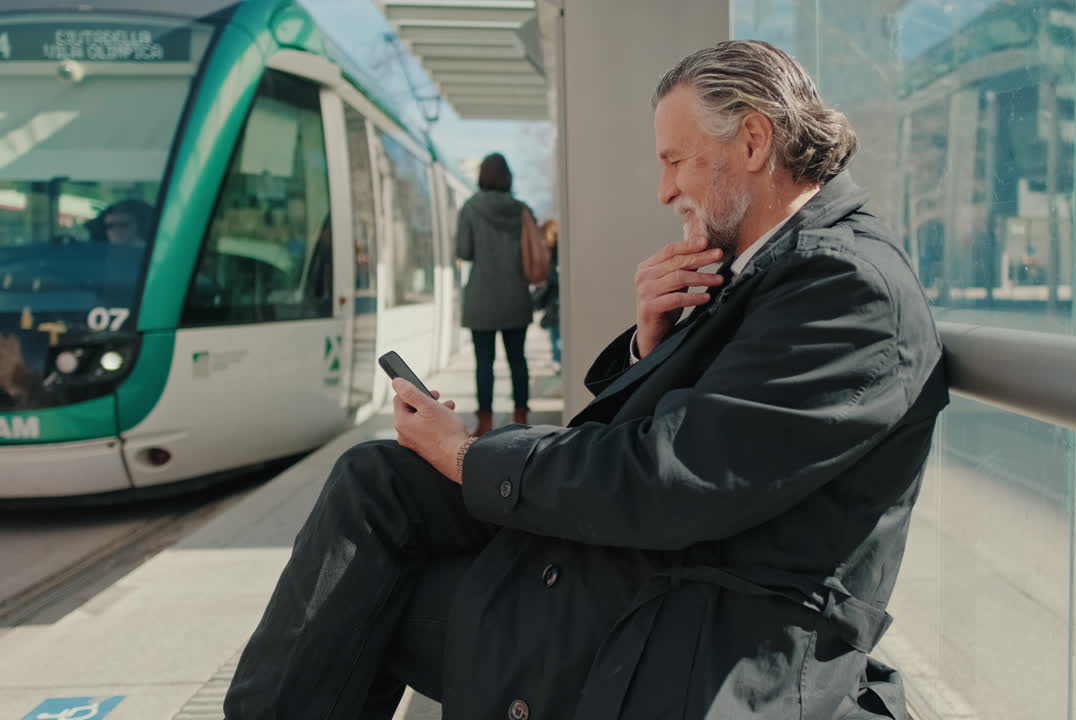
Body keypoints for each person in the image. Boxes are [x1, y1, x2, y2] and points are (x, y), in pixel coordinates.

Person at [224, 40, 949, 720]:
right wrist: (650, 341)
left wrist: (465, 454)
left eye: (676, 161)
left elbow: (673, 476)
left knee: (366, 599)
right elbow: (695, 443)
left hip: (698, 630)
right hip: (653, 573)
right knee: (377, 482)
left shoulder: (845, 285)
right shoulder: (773, 263)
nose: (664, 190)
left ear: (754, 142)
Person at [455, 152, 534, 436]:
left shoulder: (470, 208)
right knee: (518, 360)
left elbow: (464, 251)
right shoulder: (522, 210)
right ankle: (521, 415)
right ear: (508, 178)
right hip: (516, 296)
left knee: (484, 363)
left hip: (482, 298)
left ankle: (485, 421)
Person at [533, 218, 562, 370]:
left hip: (555, 298)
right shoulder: (557, 250)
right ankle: (557, 358)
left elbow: (552, 277)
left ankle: (558, 359)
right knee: (555, 330)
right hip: (554, 298)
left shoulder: (555, 252)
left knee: (556, 331)